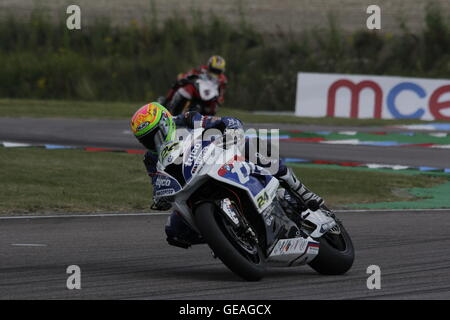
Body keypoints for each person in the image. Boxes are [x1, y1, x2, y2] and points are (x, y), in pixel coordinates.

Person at [130, 102, 324, 248]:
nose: (151, 142)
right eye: (145, 140)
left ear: (165, 121)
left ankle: (300, 190)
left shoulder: (185, 120)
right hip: (189, 187)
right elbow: (157, 181)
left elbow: (216, 121)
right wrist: (160, 197)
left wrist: (229, 126)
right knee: (174, 232)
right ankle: (227, 236)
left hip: (220, 158)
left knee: (255, 145)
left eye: (155, 134)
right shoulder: (150, 158)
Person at [164, 55, 228, 110]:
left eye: (218, 71)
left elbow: (222, 92)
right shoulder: (202, 69)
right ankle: (167, 103)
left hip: (209, 97)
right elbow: (191, 73)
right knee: (179, 84)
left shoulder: (223, 79)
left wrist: (220, 100)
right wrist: (184, 77)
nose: (215, 73)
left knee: (213, 108)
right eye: (213, 70)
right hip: (197, 90)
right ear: (209, 66)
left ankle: (207, 121)